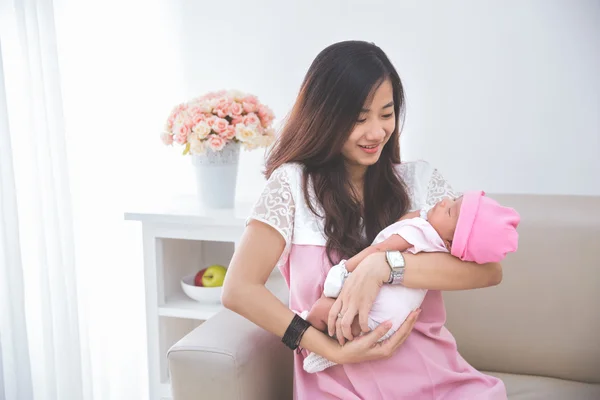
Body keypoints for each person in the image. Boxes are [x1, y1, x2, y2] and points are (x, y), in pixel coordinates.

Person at [222, 40, 507, 399]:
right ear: (325, 117)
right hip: (336, 387)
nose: (376, 133)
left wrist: (385, 267)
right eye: (359, 119)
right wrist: (330, 349)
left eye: (386, 115)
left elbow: (489, 271)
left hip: (437, 383)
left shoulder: (420, 182)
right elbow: (238, 289)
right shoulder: (292, 186)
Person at [302, 191, 520, 373]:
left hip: (377, 310)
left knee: (323, 311)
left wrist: (344, 268)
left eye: (450, 210)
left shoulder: (420, 231)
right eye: (454, 198)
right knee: (348, 332)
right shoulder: (443, 249)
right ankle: (329, 355)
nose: (444, 200)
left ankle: (314, 335)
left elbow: (378, 249)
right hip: (391, 323)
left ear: (450, 240)